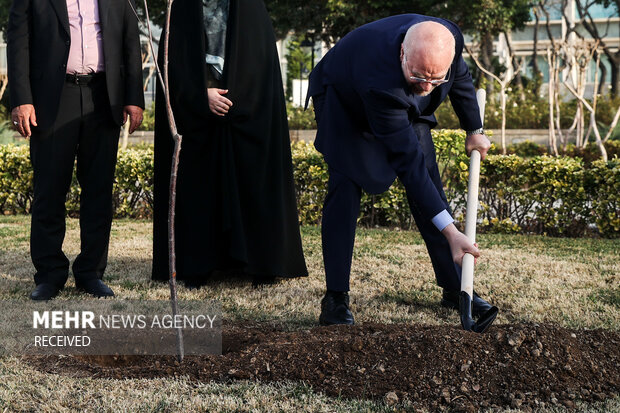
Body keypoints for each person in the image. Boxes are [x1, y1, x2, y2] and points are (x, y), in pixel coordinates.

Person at [306, 15, 494, 325]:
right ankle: (335, 298)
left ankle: (455, 286)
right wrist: (452, 232)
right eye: (419, 75)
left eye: (436, 79)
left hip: (394, 92)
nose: (427, 87)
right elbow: (408, 164)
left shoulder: (448, 41)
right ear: (402, 54)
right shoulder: (381, 82)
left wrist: (473, 128)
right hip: (344, 98)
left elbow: (458, 77)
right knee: (346, 183)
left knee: (431, 186)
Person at [151, 0, 308, 287]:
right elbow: (172, 66)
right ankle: (198, 265)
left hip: (244, 118)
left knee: (251, 185)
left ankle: (259, 263)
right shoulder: (183, 9)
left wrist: (233, 100)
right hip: (196, 123)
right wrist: (201, 95)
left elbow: (261, 67)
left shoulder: (251, 8)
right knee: (199, 189)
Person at [7, 0, 145, 300]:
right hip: (52, 98)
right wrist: (22, 98)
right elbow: (17, 41)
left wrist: (134, 97)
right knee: (49, 189)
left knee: (98, 190)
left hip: (103, 96)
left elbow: (130, 42)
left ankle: (91, 273)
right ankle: (49, 275)